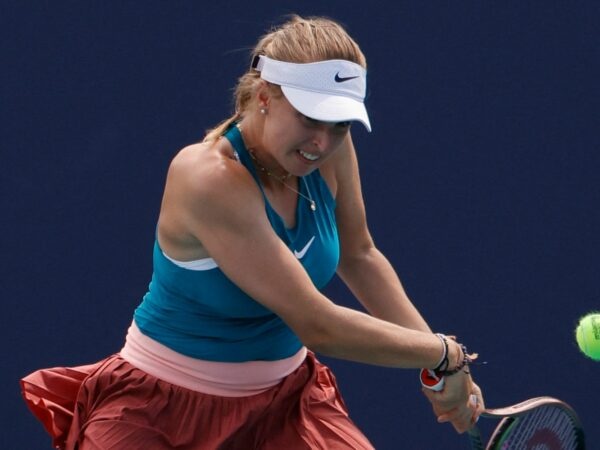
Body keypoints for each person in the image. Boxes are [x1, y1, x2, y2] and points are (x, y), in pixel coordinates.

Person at [21, 15, 484, 449]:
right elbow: (317, 324)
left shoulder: (327, 152)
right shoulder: (209, 178)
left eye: (339, 125)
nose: (322, 141)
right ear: (265, 95)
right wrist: (443, 353)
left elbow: (359, 255)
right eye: (309, 117)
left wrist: (439, 366)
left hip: (288, 406)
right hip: (159, 414)